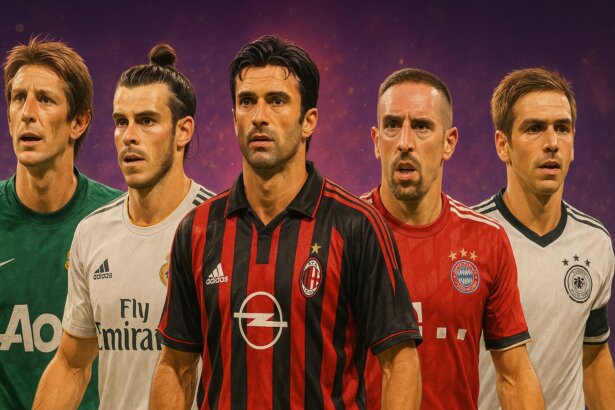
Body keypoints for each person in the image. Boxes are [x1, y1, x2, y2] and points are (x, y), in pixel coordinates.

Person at [151, 35, 422, 409]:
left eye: (277, 101)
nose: (259, 116)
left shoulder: (356, 226)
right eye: (247, 101)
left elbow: (399, 363)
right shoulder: (197, 229)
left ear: (308, 121)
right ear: (234, 117)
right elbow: (176, 366)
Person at [33, 44, 214, 409]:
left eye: (146, 121)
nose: (129, 136)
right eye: (121, 122)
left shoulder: (218, 229)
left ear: (183, 131)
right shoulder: (92, 232)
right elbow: (72, 363)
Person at [362, 68, 544, 409]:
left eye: (421, 126)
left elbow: (514, 375)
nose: (404, 142)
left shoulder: (486, 240)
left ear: (449, 142)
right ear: (376, 141)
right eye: (392, 125)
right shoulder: (342, 233)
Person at [476, 67, 615, 409]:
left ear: (573, 144)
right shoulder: (470, 237)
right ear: (503, 145)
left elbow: (593, 354)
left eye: (562, 129)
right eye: (534, 128)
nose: (552, 142)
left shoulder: (594, 242)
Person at [0, 37, 121, 409]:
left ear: (79, 121)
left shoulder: (118, 220)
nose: (27, 112)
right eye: (18, 98)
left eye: (45, 100)